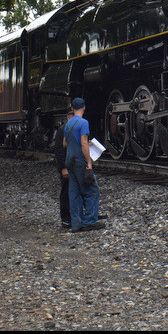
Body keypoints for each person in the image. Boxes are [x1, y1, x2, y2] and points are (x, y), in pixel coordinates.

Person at [64, 97, 104, 232]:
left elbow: (65, 143)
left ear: (72, 109)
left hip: (69, 159)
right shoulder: (83, 123)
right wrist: (89, 161)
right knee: (92, 190)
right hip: (80, 160)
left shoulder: (68, 124)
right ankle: (90, 221)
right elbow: (83, 143)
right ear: (84, 108)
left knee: (74, 192)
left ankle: (76, 223)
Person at [54, 107, 74, 228]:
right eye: (71, 116)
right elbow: (59, 151)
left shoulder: (73, 129)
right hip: (66, 165)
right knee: (66, 191)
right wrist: (63, 167)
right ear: (67, 117)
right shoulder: (62, 130)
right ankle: (65, 218)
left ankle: (74, 216)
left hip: (73, 164)